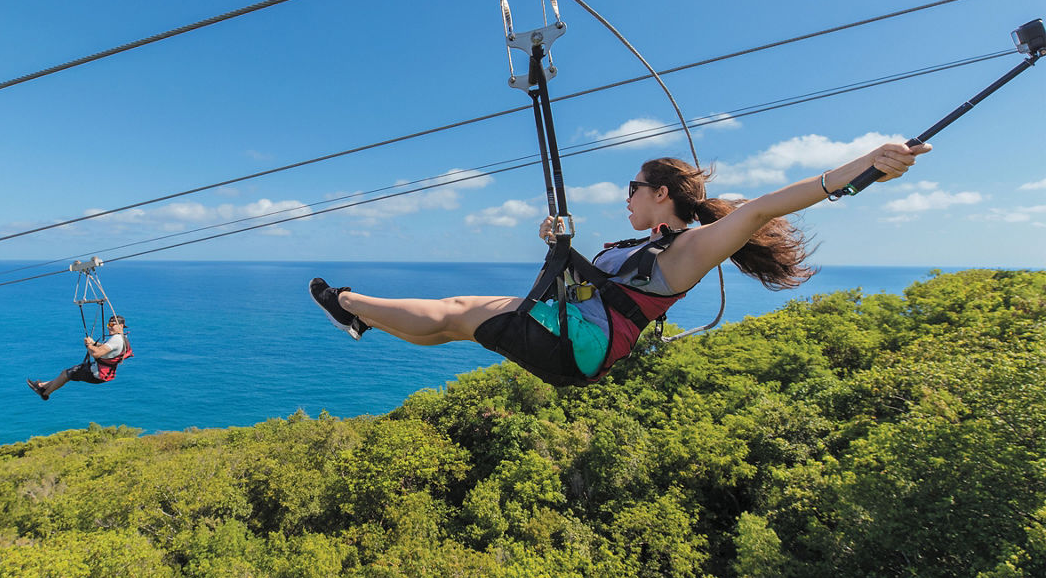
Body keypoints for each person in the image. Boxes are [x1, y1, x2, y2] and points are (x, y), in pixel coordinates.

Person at [310, 142, 931, 387]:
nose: (625, 197)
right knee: (455, 321)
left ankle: (347, 304)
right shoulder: (647, 244)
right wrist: (561, 243)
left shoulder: (690, 247)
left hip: (577, 346)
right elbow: (593, 281)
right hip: (574, 337)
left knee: (457, 312)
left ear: (661, 192)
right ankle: (357, 316)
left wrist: (863, 169)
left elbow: (764, 206)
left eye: (632, 187)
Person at [27, 315, 132, 399]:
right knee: (66, 373)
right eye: (108, 324)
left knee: (66, 375)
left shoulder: (116, 339)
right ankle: (42, 386)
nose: (109, 326)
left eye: (112, 324)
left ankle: (45, 393)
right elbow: (109, 349)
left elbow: (96, 354)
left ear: (121, 326)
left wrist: (89, 345)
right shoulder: (122, 338)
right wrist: (94, 343)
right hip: (101, 372)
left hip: (96, 373)